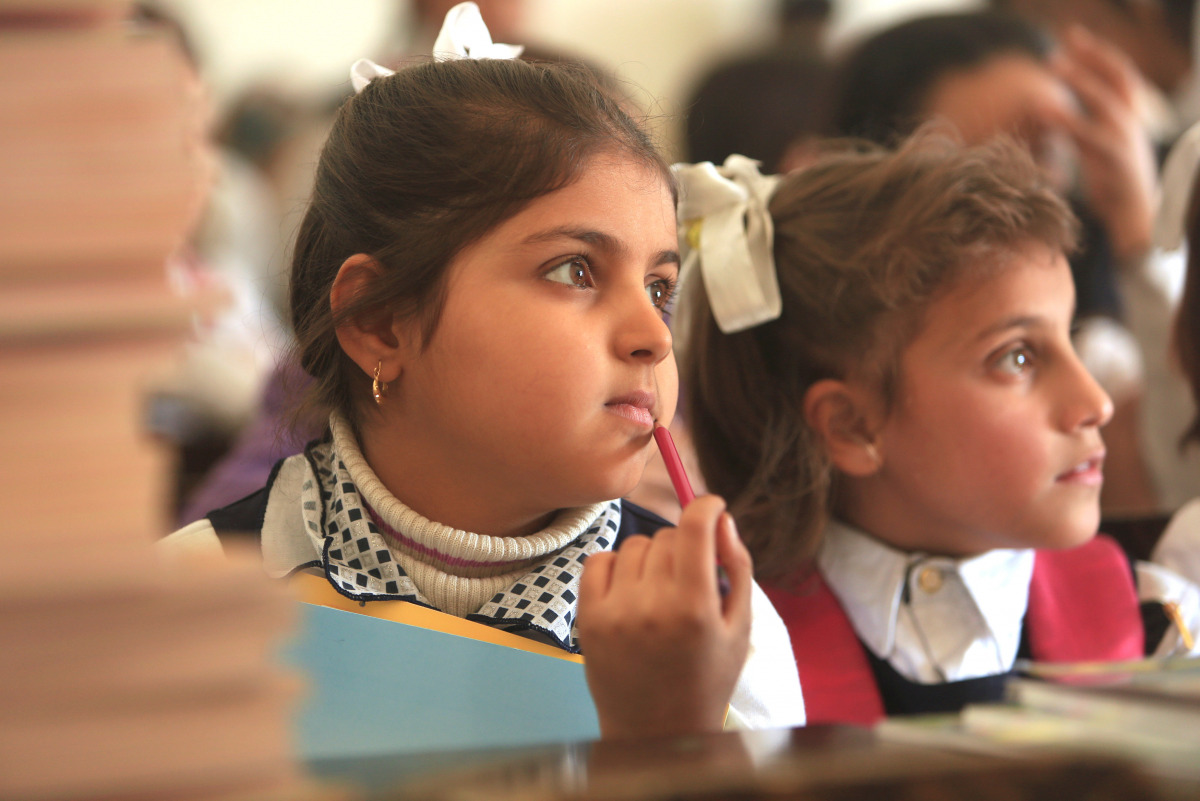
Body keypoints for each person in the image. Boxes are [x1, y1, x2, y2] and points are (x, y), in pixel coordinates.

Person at [161, 3, 805, 741]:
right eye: (574, 270)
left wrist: (673, 730)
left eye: (661, 288)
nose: (652, 338)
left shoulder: (718, 635)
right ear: (378, 322)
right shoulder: (190, 603)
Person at [673, 132, 1200, 727]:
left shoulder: (1159, 623)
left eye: (1070, 338)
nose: (1095, 401)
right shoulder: (738, 664)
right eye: (1018, 357)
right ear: (852, 425)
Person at [832, 11, 1162, 515]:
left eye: (1049, 153)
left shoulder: (1102, 356)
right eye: (981, 176)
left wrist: (1142, 234)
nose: (1023, 209)